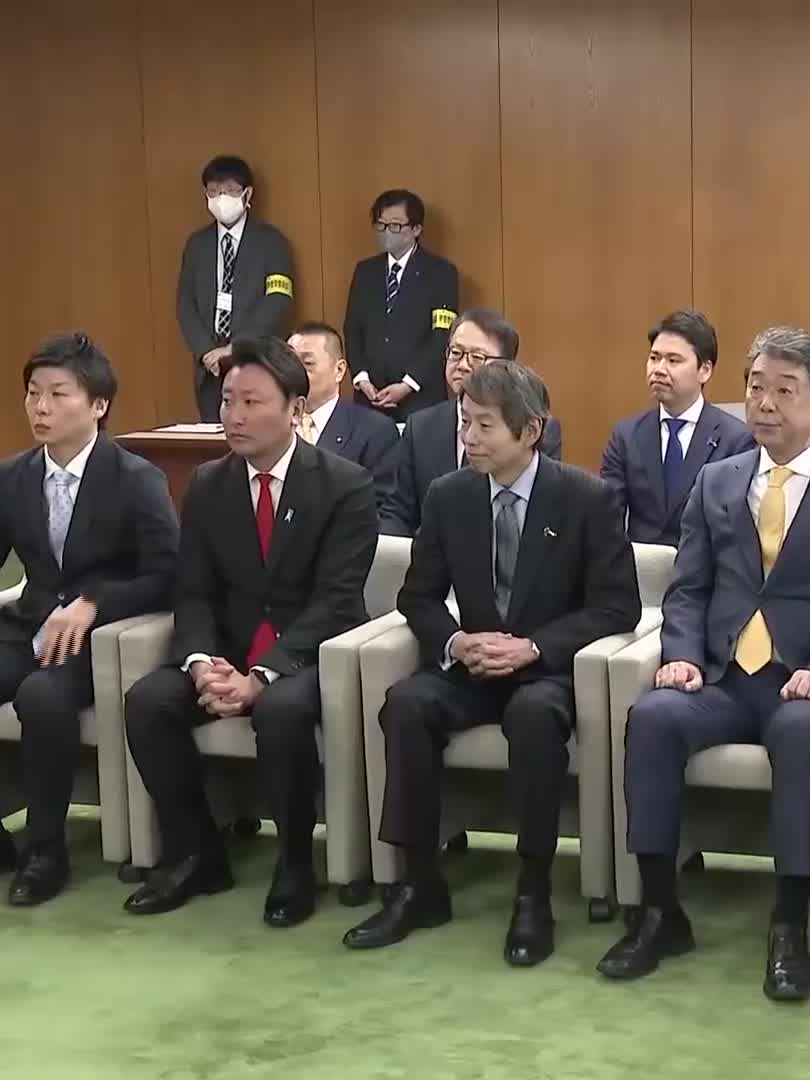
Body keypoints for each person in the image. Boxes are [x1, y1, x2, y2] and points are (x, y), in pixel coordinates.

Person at [599, 327, 810, 1003]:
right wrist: (680, 656)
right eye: (756, 388)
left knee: (799, 736)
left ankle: (789, 926)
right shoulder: (718, 480)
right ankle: (659, 912)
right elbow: (688, 589)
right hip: (723, 677)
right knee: (653, 718)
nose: (764, 403)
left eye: (784, 391)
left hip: (800, 681)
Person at [343, 361, 640, 967]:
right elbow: (418, 597)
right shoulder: (449, 495)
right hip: (472, 666)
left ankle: (533, 893)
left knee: (533, 717)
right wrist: (456, 643)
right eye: (464, 423)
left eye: (484, 426)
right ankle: (417, 883)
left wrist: (534, 648)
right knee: (406, 704)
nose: (469, 437)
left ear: (530, 431)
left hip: (545, 671)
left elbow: (618, 607)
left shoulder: (585, 498)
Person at [0, 333, 178, 906]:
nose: (40, 407)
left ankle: (47, 848)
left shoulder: (135, 478)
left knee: (42, 697)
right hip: (27, 625)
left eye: (58, 394)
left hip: (96, 636)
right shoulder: (11, 477)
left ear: (98, 404)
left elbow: (168, 572)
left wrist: (95, 601)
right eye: (32, 393)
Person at [121, 337, 379, 927]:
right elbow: (192, 591)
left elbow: (337, 601)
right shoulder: (209, 484)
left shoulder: (345, 485)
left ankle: (295, 863)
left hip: (310, 653)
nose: (233, 416)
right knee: (148, 701)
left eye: (251, 402)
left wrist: (263, 675)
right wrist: (200, 663)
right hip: (228, 652)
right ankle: (197, 853)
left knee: (281, 711)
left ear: (295, 409)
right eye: (227, 400)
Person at [381, 308, 565, 536]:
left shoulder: (532, 426)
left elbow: (544, 509)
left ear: (507, 366)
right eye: (456, 353)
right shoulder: (420, 426)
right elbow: (397, 512)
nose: (462, 365)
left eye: (477, 357)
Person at [600, 309, 755, 545]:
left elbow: (734, 529)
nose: (659, 369)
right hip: (640, 565)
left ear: (705, 370)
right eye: (654, 358)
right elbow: (607, 519)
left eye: (673, 361)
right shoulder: (626, 435)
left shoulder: (736, 440)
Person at [175, 155, 296, 422]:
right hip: (210, 369)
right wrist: (206, 351)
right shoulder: (197, 245)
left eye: (229, 191)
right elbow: (185, 303)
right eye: (213, 192)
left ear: (247, 194)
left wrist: (236, 347)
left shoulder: (271, 242)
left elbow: (278, 299)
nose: (221, 199)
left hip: (257, 360)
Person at [341, 188, 460, 420]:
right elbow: (352, 328)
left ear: (416, 229)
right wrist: (361, 378)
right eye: (380, 225)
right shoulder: (365, 271)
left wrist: (408, 384)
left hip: (421, 398)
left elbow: (442, 334)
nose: (387, 232)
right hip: (370, 397)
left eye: (395, 226)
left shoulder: (441, 272)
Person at [285, 320, 401, 499]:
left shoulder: (375, 431)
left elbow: (382, 504)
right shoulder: (268, 425)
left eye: (307, 363)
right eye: (289, 363)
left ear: (339, 370)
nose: (294, 373)